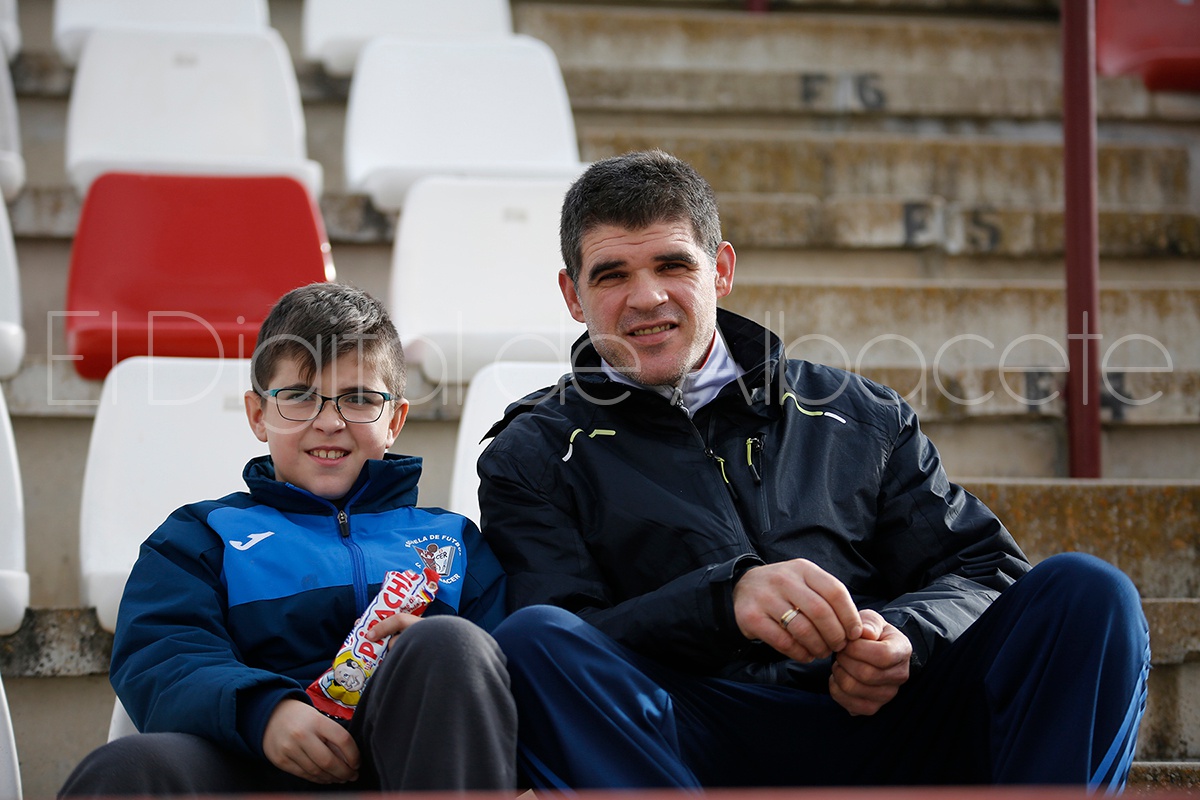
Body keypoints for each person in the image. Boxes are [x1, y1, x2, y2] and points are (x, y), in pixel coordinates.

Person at [478, 150, 1151, 791]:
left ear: (721, 270)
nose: (647, 297)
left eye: (671, 265)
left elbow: (984, 570)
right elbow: (564, 634)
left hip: (887, 722)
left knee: (1090, 594)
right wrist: (724, 601)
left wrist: (904, 636)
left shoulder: (861, 414)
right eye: (612, 275)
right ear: (573, 294)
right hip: (689, 741)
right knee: (533, 642)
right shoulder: (531, 453)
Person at [60, 283, 516, 796]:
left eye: (359, 399)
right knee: (126, 768)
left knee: (450, 644)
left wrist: (430, 662)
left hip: (411, 769)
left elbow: (509, 675)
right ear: (259, 415)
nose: (330, 422)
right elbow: (164, 656)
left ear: (394, 420)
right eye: (299, 396)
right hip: (250, 762)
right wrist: (264, 712)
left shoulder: (454, 542)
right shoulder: (201, 536)